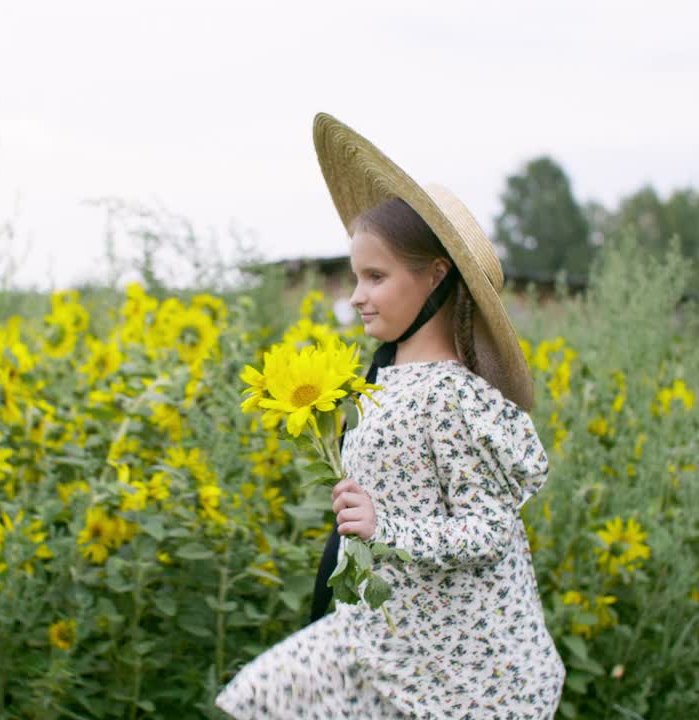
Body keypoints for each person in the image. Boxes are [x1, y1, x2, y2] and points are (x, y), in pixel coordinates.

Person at [214, 113, 566, 719]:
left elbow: (489, 531)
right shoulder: (382, 382)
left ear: (436, 277)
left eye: (376, 277)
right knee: (257, 697)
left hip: (460, 672)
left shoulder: (453, 397)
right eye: (357, 277)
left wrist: (386, 528)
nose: (356, 295)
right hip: (385, 639)